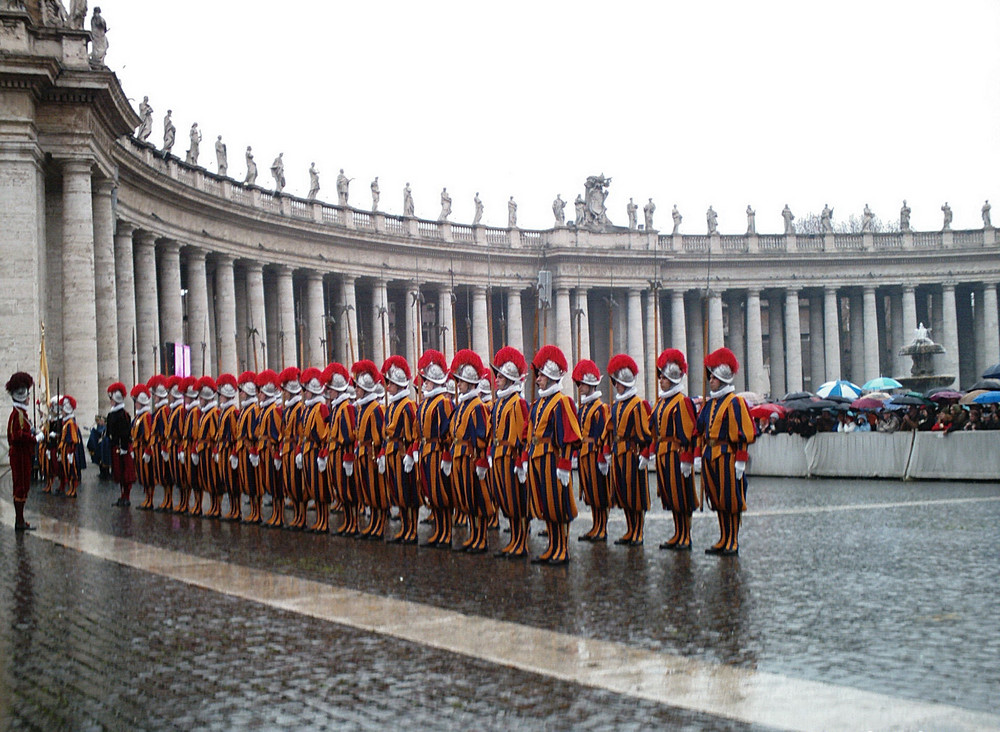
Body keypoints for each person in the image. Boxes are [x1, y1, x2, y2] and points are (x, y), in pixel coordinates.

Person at [521, 345, 582, 565]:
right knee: (546, 505)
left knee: (559, 505)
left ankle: (562, 549)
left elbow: (568, 436)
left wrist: (565, 464)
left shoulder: (562, 402)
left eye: (541, 377)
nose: (537, 380)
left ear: (551, 377)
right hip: (538, 458)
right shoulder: (538, 404)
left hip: (553, 460)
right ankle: (552, 546)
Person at [696, 347, 756, 556]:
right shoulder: (710, 403)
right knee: (717, 499)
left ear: (722, 379)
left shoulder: (735, 402)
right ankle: (723, 537)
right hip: (711, 455)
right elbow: (700, 428)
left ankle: (733, 540)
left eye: (713, 377)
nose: (710, 380)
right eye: (710, 376)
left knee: (731, 500)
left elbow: (744, 433)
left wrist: (741, 460)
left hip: (728, 456)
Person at [652, 349, 699, 551]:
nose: (660, 381)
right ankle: (677, 532)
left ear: (672, 378)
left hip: (677, 454)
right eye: (660, 377)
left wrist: (688, 458)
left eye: (663, 377)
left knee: (682, 496)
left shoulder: (682, 401)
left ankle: (685, 535)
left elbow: (689, 432)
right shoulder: (662, 402)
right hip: (663, 453)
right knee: (670, 495)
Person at [604, 354, 652, 546]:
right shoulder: (617, 405)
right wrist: (608, 449)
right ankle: (630, 529)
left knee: (636, 495)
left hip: (632, 454)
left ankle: (638, 532)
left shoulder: (637, 405)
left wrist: (646, 453)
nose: (616, 385)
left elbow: (645, 433)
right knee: (623, 494)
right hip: (618, 454)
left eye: (618, 382)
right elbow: (610, 429)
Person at [448, 350, 493, 553]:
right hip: (460, 456)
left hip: (471, 458)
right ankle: (473, 536)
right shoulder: (463, 405)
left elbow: (481, 436)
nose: (459, 384)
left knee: (477, 498)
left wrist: (482, 461)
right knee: (466, 499)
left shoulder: (476, 406)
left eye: (462, 381)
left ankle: (481, 538)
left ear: (471, 383)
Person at [489, 347, 530, 557]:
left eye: (500, 376)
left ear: (510, 379)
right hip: (499, 457)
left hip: (513, 460)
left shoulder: (518, 403)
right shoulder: (501, 402)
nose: (496, 379)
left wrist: (522, 461)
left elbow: (524, 435)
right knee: (506, 500)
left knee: (517, 502)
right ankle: (514, 539)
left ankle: (521, 542)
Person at [416, 349, 455, 547]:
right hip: (426, 452)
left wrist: (447, 455)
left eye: (427, 381)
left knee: (442, 493)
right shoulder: (425, 403)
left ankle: (446, 533)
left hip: (438, 452)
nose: (424, 384)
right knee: (432, 493)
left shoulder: (443, 402)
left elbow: (448, 432)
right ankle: (439, 530)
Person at [380, 356, 420, 544]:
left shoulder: (407, 406)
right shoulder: (392, 406)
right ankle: (405, 527)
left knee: (408, 491)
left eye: (391, 384)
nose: (388, 387)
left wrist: (411, 454)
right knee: (397, 491)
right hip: (391, 451)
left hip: (402, 453)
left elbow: (412, 433)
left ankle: (412, 529)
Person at [571, 359, 610, 543]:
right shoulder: (584, 407)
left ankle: (602, 528)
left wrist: (603, 456)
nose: (579, 387)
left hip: (595, 453)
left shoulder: (600, 408)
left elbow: (603, 433)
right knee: (590, 492)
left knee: (599, 492)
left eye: (581, 384)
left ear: (590, 384)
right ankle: (595, 525)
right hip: (584, 453)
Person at [352, 360, 387, 539]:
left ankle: (379, 525)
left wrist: (380, 455)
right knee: (366, 489)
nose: (355, 390)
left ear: (365, 389)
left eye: (358, 388)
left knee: (376, 491)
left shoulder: (374, 409)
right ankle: (373, 522)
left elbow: (379, 436)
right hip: (362, 453)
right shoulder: (361, 408)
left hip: (372, 454)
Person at [325, 363, 358, 535]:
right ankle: (347, 521)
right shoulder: (337, 407)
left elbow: (349, 435)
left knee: (348, 490)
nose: (329, 392)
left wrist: (347, 455)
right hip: (334, 453)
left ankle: (353, 523)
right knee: (340, 489)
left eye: (331, 389)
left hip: (343, 453)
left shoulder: (345, 408)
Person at [297, 368, 330, 532]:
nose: (305, 394)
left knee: (320, 488)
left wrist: (323, 453)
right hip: (308, 450)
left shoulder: (321, 408)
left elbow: (324, 432)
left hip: (317, 451)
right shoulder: (308, 408)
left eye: (307, 391)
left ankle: (324, 520)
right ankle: (318, 518)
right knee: (312, 486)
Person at [6, 372, 39, 530]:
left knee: (23, 486)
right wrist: (34, 439)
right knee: (21, 487)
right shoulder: (17, 415)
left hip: (22, 455)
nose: (28, 398)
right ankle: (19, 521)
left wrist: (32, 432)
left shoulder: (21, 414)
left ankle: (20, 519)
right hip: (19, 456)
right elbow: (17, 436)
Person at [278, 367, 306, 529]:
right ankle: (296, 515)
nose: (284, 393)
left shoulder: (298, 410)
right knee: (289, 484)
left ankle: (301, 516)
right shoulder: (288, 409)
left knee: (297, 484)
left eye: (286, 391)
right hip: (287, 449)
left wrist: (298, 450)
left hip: (295, 449)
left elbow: (299, 432)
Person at [255, 370, 284, 527]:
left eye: (260, 392)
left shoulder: (273, 410)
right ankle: (274, 513)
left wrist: (276, 451)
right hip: (264, 450)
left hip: (271, 451)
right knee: (269, 482)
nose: (258, 395)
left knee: (275, 483)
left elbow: (277, 433)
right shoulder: (264, 410)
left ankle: (278, 515)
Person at [235, 371, 262, 523]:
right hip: (243, 449)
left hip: (249, 449)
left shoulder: (252, 410)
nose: (241, 395)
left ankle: (257, 512)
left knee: (253, 481)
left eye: (243, 392)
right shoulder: (245, 409)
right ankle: (252, 511)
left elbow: (253, 432)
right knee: (247, 481)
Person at [215, 374, 241, 521]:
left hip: (229, 448)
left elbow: (233, 433)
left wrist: (234, 451)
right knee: (226, 480)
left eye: (222, 396)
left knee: (232, 481)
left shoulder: (232, 413)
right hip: (222, 448)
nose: (220, 398)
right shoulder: (224, 412)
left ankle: (237, 510)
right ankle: (232, 509)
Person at [106, 381, 135, 506]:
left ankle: (126, 496)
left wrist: (123, 447)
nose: (110, 401)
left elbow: (125, 433)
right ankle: (122, 495)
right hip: (115, 447)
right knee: (119, 473)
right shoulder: (112, 414)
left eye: (112, 399)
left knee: (125, 473)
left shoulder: (124, 415)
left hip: (122, 447)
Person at [59, 395, 85, 498]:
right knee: (67, 471)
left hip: (70, 450)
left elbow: (73, 439)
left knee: (72, 471)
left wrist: (70, 452)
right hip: (65, 449)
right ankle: (70, 488)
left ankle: (73, 489)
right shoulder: (66, 423)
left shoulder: (70, 423)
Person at [87, 413, 110, 479]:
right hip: (99, 446)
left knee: (105, 461)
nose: (99, 422)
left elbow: (102, 433)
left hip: (104, 446)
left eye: (100, 421)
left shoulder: (105, 427)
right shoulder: (99, 426)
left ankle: (106, 474)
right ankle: (102, 473)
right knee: (101, 461)